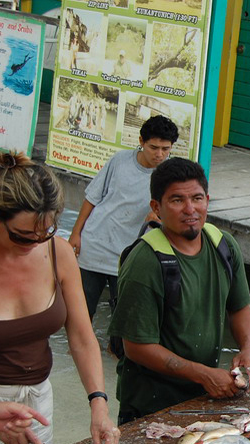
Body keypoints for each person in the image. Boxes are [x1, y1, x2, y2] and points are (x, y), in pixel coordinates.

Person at [0, 151, 119, 444]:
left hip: (37, 399)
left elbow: (80, 336)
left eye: (45, 232)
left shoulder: (58, 252)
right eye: (22, 237)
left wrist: (99, 403)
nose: (35, 243)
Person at [109, 158, 250, 424]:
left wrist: (248, 350)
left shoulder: (223, 245)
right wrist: (203, 374)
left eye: (197, 198)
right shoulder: (145, 262)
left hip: (201, 397)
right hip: (150, 405)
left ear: (207, 200)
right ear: (157, 207)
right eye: (177, 200)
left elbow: (239, 307)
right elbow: (136, 347)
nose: (190, 209)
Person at [69, 116, 178, 321]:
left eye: (165, 149)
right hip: (95, 245)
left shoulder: (171, 175)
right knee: (80, 315)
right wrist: (76, 233)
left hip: (131, 256)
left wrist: (160, 216)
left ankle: (113, 352)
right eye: (154, 147)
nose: (159, 154)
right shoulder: (119, 161)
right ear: (141, 142)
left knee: (124, 321)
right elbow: (92, 198)